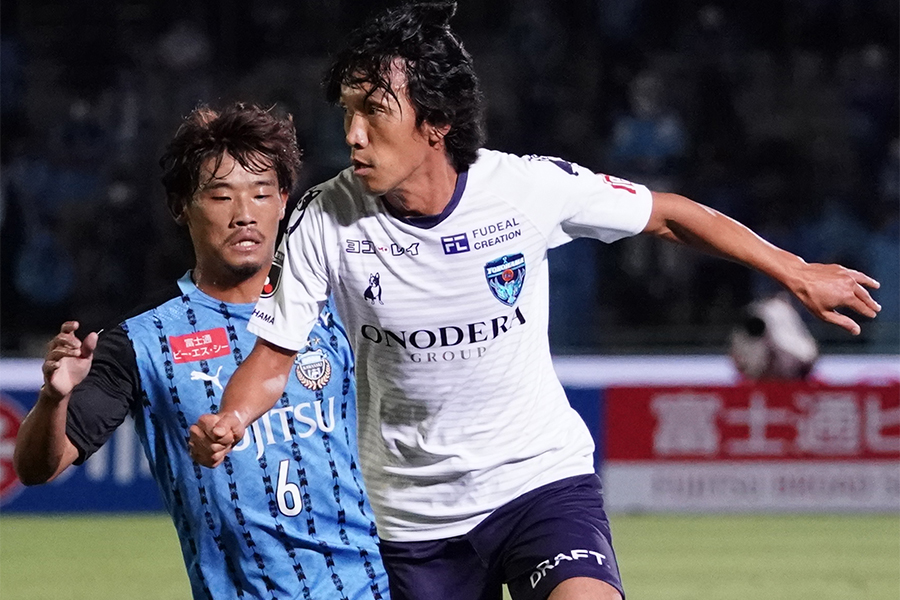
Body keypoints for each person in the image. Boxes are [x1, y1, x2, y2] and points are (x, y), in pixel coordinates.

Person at [189, 4, 882, 600]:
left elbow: (665, 214)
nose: (352, 133)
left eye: (374, 109)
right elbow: (275, 357)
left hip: (538, 481)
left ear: (434, 121)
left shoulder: (525, 191)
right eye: (347, 110)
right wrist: (232, 417)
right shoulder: (324, 218)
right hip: (413, 517)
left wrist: (793, 270)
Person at [13, 103, 390, 600]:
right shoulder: (141, 340)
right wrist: (53, 398)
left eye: (260, 194)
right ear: (180, 206)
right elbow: (39, 467)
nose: (244, 215)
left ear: (283, 201)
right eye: (220, 196)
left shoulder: (341, 304)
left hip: (371, 586)